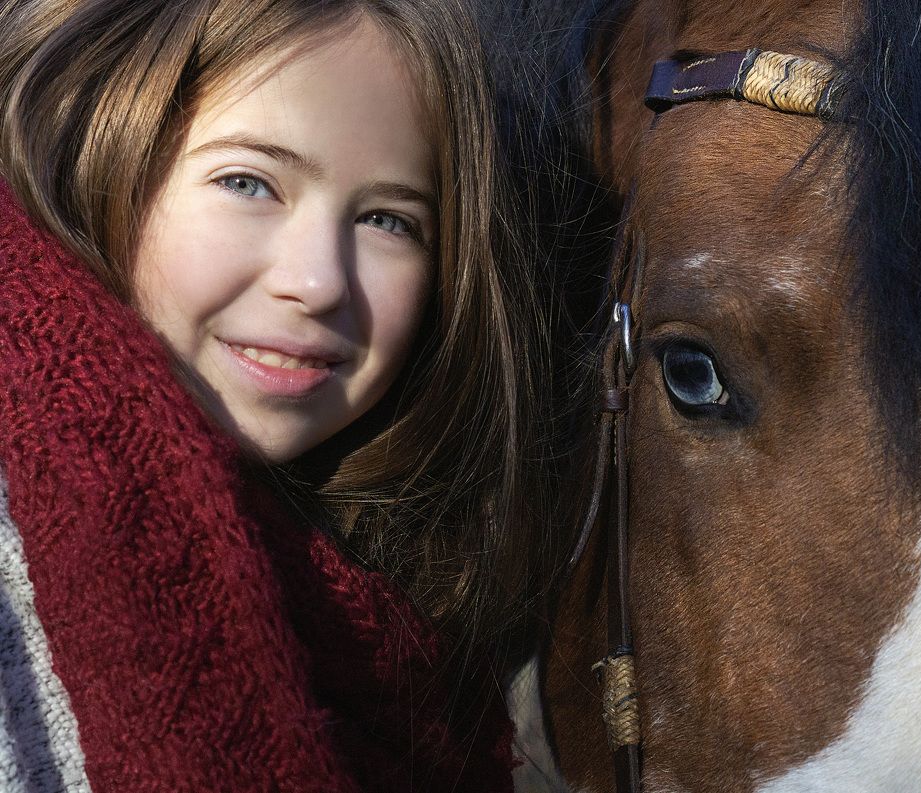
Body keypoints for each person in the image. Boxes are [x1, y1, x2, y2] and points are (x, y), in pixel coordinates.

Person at [0, 1, 552, 790]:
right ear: (94, 150)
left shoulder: (426, 660)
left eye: (388, 220)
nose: (319, 281)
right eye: (249, 182)